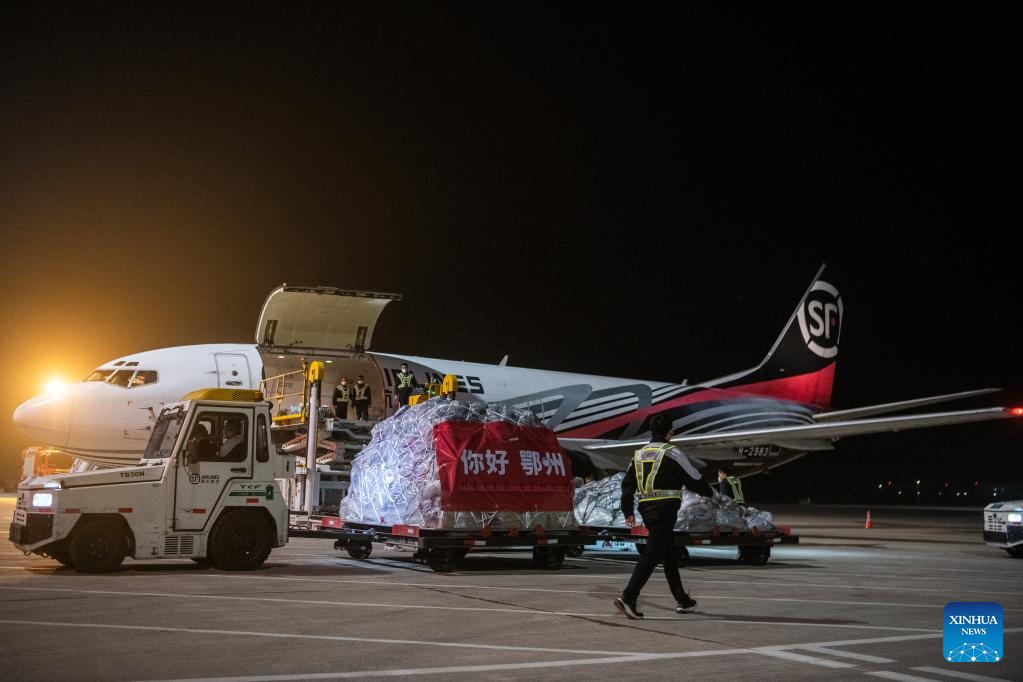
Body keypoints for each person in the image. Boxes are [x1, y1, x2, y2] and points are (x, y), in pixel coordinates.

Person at [614, 414, 701, 619]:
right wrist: (708, 492)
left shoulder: (638, 454)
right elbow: (694, 477)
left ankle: (682, 600)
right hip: (664, 511)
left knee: (669, 553)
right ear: (670, 431)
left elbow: (627, 486)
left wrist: (627, 511)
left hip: (647, 510)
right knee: (652, 555)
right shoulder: (672, 452)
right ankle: (628, 596)